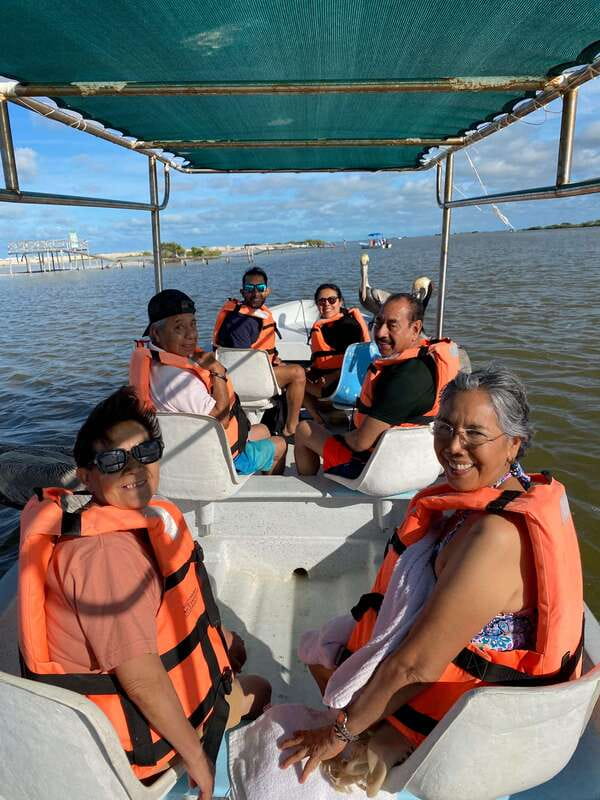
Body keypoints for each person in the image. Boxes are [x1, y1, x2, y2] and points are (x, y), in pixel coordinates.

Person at [280, 367, 584, 789]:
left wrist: (338, 735)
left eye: (475, 433)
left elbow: (414, 667)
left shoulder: (496, 536)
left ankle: (380, 741)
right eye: (445, 427)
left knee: (325, 673)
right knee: (322, 646)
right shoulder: (499, 492)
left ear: (514, 443)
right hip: (449, 663)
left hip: (465, 709)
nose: (454, 446)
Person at [18, 387, 271, 798]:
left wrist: (218, 642)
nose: (134, 468)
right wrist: (197, 758)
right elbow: (140, 681)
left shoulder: (118, 523)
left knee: (231, 647)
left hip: (132, 689)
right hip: (133, 740)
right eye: (114, 460)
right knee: (260, 689)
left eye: (145, 452)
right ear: (86, 476)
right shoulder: (106, 557)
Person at [294, 293, 460, 476]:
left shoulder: (406, 377)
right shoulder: (429, 360)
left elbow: (361, 442)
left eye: (392, 325)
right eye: (378, 323)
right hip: (418, 464)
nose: (380, 333)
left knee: (304, 429)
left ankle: (310, 488)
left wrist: (338, 437)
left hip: (375, 470)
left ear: (415, 328)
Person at [129, 289, 286, 475]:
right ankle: (261, 484)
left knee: (263, 430)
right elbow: (222, 419)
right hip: (218, 461)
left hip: (186, 450)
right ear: (156, 333)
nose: (191, 335)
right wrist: (217, 371)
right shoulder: (178, 382)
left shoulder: (153, 363)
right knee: (280, 444)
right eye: (179, 327)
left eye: (193, 324)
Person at [212, 268, 306, 437]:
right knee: (298, 374)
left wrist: (273, 361)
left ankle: (314, 418)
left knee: (288, 367)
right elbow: (242, 363)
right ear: (242, 292)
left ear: (267, 291)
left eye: (260, 288)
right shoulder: (241, 323)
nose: (255, 293)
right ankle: (291, 427)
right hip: (245, 382)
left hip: (230, 379)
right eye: (249, 289)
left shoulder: (243, 314)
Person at [303, 283, 370, 425]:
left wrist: (330, 377)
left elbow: (353, 362)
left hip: (344, 384)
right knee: (299, 372)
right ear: (317, 304)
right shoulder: (329, 325)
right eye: (322, 301)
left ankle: (317, 420)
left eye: (332, 300)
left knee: (293, 380)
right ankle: (330, 415)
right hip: (333, 378)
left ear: (340, 302)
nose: (327, 304)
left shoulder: (348, 326)